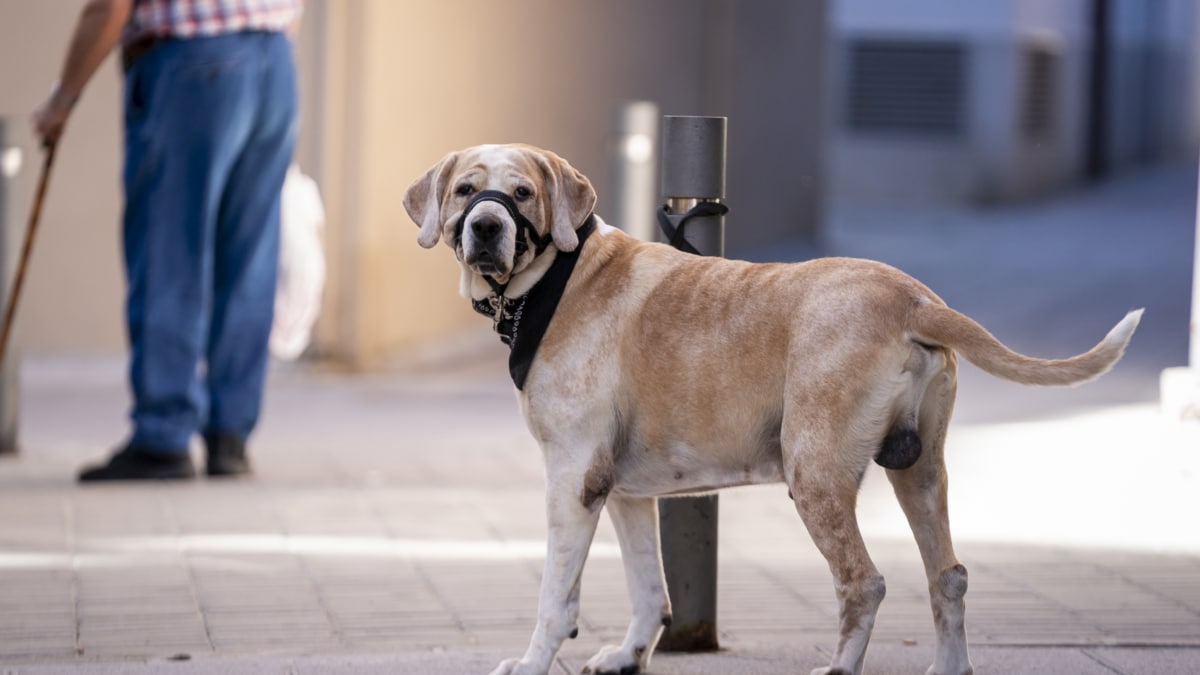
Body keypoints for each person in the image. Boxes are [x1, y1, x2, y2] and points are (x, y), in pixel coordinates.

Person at [32, 0, 301, 481]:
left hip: (193, 62)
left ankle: (163, 434)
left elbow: (108, 8)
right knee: (248, 259)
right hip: (274, 58)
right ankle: (229, 435)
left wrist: (63, 100)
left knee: (169, 250)